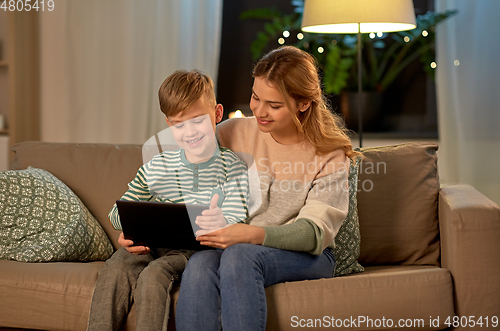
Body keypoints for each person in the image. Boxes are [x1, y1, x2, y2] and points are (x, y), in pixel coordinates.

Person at [174, 46, 362, 331]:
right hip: (239, 245)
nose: (259, 111)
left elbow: (314, 233)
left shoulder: (329, 153)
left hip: (309, 256)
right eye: (255, 97)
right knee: (200, 264)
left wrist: (251, 234)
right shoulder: (229, 133)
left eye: (274, 105)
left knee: (239, 255)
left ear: (303, 103)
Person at [87, 70, 248, 331]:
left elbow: (237, 217)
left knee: (154, 274)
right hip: (150, 244)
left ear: (217, 114)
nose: (190, 132)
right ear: (168, 123)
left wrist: (220, 220)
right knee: (116, 267)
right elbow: (119, 211)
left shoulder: (232, 167)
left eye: (198, 121)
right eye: (178, 124)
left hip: (194, 251)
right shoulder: (158, 166)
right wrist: (126, 229)